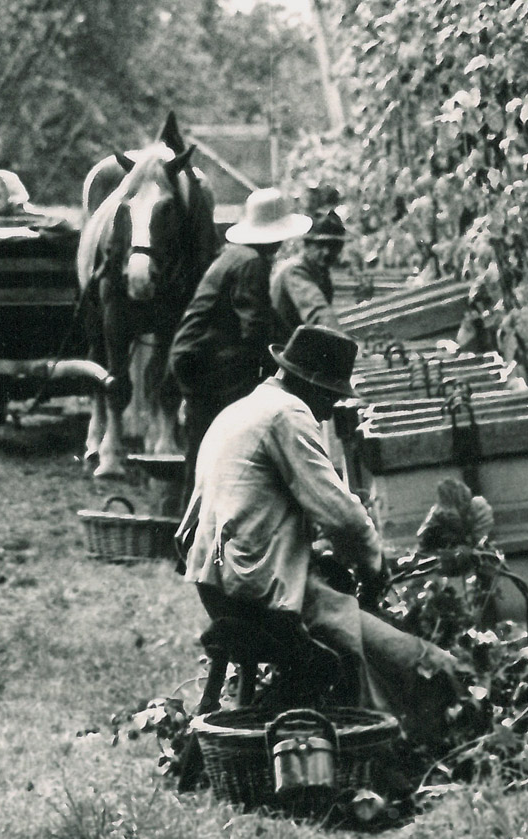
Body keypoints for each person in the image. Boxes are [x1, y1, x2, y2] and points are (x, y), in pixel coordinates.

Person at [177, 325, 462, 737]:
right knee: (409, 657)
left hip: (218, 582)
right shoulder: (287, 415)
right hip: (256, 588)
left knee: (352, 617)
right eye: (329, 396)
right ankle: (390, 738)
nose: (328, 411)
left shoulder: (241, 409)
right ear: (308, 383)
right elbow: (341, 515)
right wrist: (373, 565)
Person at [168, 188, 311, 509]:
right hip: (210, 364)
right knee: (225, 441)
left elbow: (263, 320)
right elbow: (255, 329)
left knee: (205, 444)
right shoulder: (252, 265)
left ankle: (195, 529)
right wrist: (281, 370)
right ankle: (202, 528)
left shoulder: (234, 255)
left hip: (195, 358)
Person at [268, 210, 349, 344]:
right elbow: (317, 311)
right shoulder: (295, 270)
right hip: (279, 348)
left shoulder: (320, 272)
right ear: (307, 245)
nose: (327, 252)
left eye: (334, 246)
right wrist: (343, 343)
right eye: (321, 246)